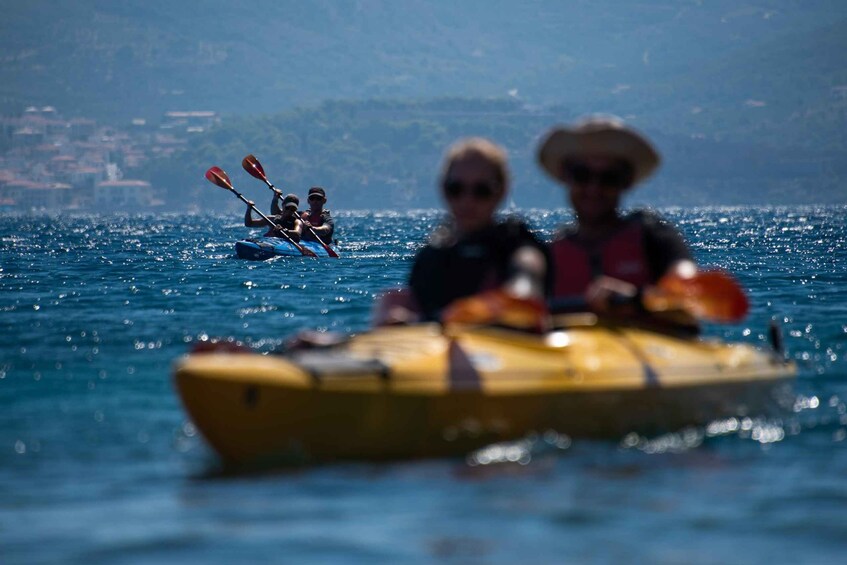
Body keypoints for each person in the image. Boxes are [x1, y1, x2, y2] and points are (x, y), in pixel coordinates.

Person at [537, 116, 697, 323]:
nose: (594, 188)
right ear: (566, 178)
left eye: (609, 178)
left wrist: (635, 298)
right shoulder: (548, 257)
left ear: (626, 182)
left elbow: (690, 288)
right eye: (582, 175)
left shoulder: (655, 237)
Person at [375, 137, 548, 327]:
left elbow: (526, 284)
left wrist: (502, 303)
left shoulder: (518, 247)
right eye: (456, 189)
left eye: (481, 191)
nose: (467, 201)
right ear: (443, 189)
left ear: (501, 191)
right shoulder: (431, 255)